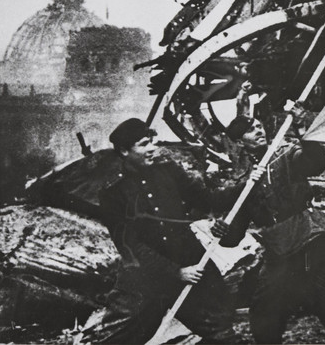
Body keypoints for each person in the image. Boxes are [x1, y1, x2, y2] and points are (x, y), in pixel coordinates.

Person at [85, 118, 244, 344]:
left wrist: (246, 184)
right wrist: (175, 272)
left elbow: (208, 199)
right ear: (124, 151)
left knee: (221, 331)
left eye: (152, 142)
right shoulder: (113, 192)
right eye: (143, 144)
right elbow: (130, 245)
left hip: (193, 265)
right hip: (147, 278)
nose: (152, 149)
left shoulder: (168, 171)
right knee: (123, 338)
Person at [222, 115, 325, 344]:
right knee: (264, 316)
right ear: (238, 142)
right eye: (249, 130)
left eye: (259, 125)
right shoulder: (243, 181)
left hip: (313, 245)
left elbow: (315, 163)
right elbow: (233, 236)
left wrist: (303, 129)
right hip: (279, 257)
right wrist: (219, 230)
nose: (258, 130)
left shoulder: (286, 154)